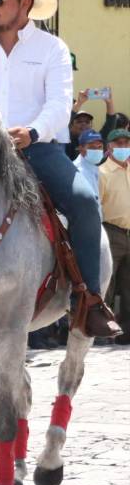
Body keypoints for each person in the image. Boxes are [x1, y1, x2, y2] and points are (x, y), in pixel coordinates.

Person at [0, 0, 120, 337]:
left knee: (83, 201)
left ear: (24, 3)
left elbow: (61, 106)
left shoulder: (53, 49)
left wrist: (31, 131)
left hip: (39, 149)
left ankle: (89, 300)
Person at [98, 129, 130, 344]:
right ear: (109, 147)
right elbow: (98, 206)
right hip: (112, 231)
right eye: (117, 143)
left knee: (128, 287)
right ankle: (103, 332)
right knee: (106, 284)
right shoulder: (102, 172)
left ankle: (126, 334)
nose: (122, 146)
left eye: (126, 142)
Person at [66, 89, 117, 161]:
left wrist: (109, 102)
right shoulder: (66, 141)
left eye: (87, 122)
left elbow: (110, 123)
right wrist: (79, 103)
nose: (83, 124)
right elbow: (65, 123)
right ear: (71, 126)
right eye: (79, 121)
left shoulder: (97, 139)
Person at [74, 129, 105, 199]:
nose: (97, 150)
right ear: (80, 148)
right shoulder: (81, 172)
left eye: (100, 147)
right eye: (92, 147)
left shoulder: (93, 167)